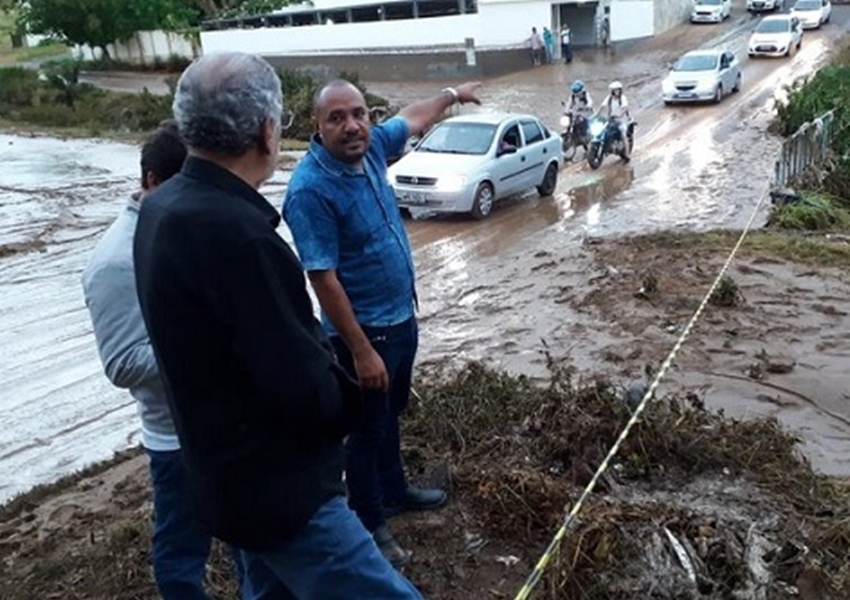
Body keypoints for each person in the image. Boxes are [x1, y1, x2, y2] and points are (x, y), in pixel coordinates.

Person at [133, 51, 423, 599]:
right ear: (269, 130)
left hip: (224, 478)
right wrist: (354, 399)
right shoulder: (241, 236)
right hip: (285, 494)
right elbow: (301, 381)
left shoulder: (161, 208)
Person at [282, 79, 482, 567]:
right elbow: (322, 278)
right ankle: (370, 522)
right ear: (317, 125)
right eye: (337, 118)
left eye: (359, 114)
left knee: (389, 414)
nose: (351, 125)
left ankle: (394, 491)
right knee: (365, 431)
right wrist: (360, 350)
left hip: (400, 319)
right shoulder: (310, 189)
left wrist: (451, 95)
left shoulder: (369, 152)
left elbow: (413, 117)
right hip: (363, 335)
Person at [82, 121, 250, 600]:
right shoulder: (115, 261)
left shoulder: (189, 227)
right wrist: (214, 346)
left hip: (230, 420)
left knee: (249, 537)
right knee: (181, 550)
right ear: (154, 183)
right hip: (177, 436)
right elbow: (122, 363)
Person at [595, 80, 632, 160]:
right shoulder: (609, 98)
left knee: (623, 135)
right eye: (614, 90)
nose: (616, 92)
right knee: (603, 131)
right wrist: (596, 115)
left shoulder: (622, 98)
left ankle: (627, 154)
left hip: (621, 121)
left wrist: (620, 115)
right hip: (611, 120)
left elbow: (625, 108)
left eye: (618, 90)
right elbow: (602, 106)